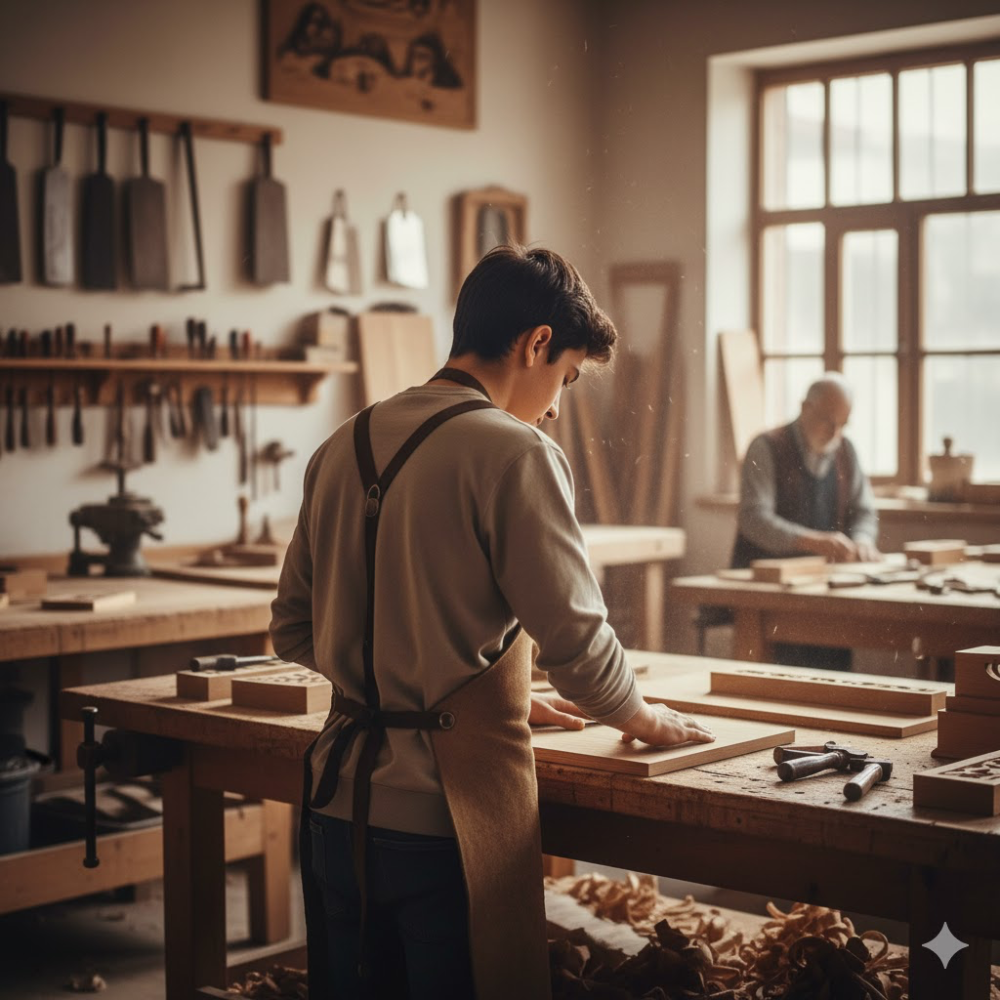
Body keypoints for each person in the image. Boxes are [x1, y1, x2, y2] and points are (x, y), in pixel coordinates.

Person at [270, 244, 715, 1000]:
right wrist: (641, 716)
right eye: (566, 378)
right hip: (445, 817)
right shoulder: (516, 453)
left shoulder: (340, 444)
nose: (554, 406)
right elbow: (576, 641)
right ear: (537, 342)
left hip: (332, 805)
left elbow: (294, 629)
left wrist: (453, 693)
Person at [730, 372, 880, 669]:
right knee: (776, 679)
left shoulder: (845, 451)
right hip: (770, 593)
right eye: (828, 421)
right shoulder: (766, 446)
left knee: (834, 679)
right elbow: (754, 518)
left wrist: (863, 540)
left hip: (826, 590)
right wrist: (813, 541)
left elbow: (864, 511)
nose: (835, 432)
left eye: (843, 424)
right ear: (804, 408)